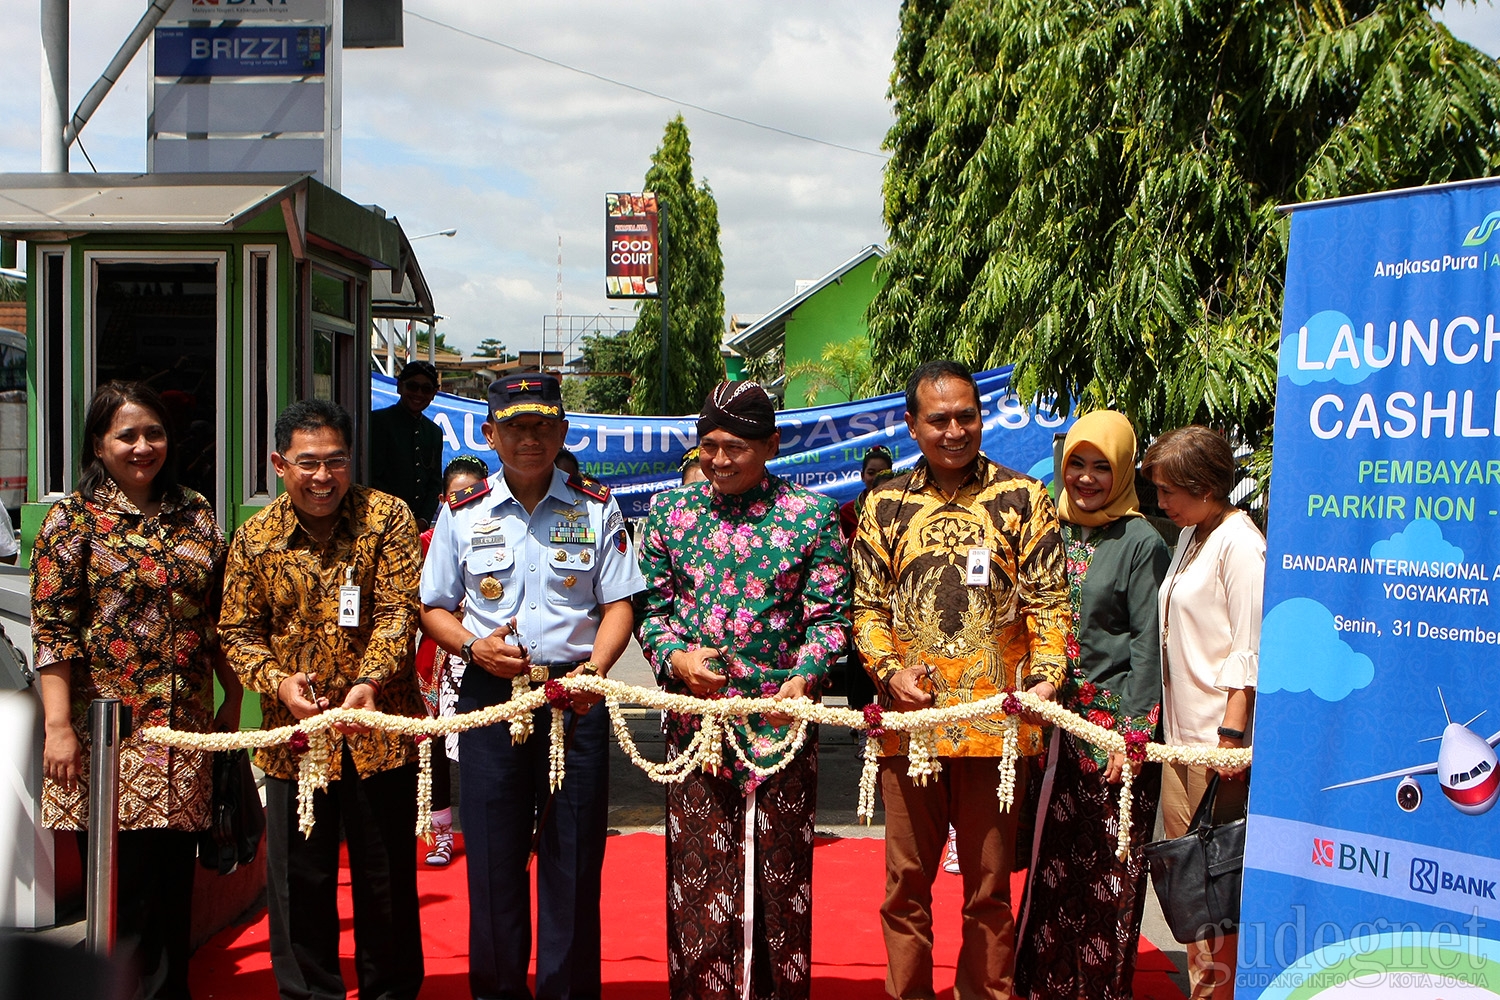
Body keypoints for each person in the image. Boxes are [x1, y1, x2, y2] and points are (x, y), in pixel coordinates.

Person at [419, 372, 644, 1000]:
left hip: (576, 697)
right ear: (491, 434)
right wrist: (471, 646)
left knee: (573, 862)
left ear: (563, 432)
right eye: (515, 427)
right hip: (491, 699)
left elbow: (621, 602)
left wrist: (595, 672)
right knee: (493, 863)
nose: (529, 438)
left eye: (543, 426)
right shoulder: (462, 512)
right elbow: (433, 606)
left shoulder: (597, 506)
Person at [852, 359, 1070, 1000]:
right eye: (939, 419)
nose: (954, 431)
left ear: (982, 418)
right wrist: (889, 673)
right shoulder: (884, 503)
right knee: (906, 888)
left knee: (988, 892)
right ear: (913, 426)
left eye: (966, 417)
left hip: (998, 731)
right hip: (911, 731)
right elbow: (867, 610)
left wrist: (1049, 680)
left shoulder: (1023, 499)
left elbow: (1051, 605)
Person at [637, 380, 850, 1000]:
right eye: (709, 446)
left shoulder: (809, 517)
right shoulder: (669, 514)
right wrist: (675, 658)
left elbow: (831, 617)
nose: (721, 460)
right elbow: (649, 607)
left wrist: (804, 676)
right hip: (693, 732)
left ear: (771, 445)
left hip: (781, 729)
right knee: (698, 877)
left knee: (780, 881)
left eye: (737, 447)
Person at [31, 381, 242, 999]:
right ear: (99, 443)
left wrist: (232, 698)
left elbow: (217, 615)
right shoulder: (72, 520)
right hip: (107, 736)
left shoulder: (196, 511)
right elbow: (53, 631)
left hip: (186, 728)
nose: (143, 446)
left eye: (154, 433)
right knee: (124, 887)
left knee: (176, 879)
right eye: (127, 435)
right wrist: (59, 727)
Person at [219, 399, 425, 1000]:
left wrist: (370, 682)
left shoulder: (386, 517)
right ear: (279, 464)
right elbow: (237, 631)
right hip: (296, 740)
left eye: (336, 461)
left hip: (378, 730)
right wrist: (278, 683)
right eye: (307, 463)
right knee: (298, 885)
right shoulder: (255, 539)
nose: (323, 477)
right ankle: (310, 993)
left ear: (350, 461)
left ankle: (390, 992)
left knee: (384, 883)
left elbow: (397, 610)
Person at [1015, 410, 1171, 1000]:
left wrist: (1131, 736)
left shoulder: (1140, 542)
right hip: (1048, 724)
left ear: (1125, 469)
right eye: (1076, 463)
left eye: (1101, 467)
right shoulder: (1044, 528)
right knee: (1050, 866)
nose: (1084, 478)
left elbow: (1148, 644)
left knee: (1109, 868)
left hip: (1109, 737)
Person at [1142, 425, 1261, 1000]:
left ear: (1204, 485)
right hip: (1180, 741)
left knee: (1220, 896)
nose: (1160, 503)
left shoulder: (1240, 542)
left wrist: (1232, 740)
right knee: (1190, 890)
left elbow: (1250, 649)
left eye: (1168, 491)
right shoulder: (1194, 534)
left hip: (1220, 745)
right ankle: (1202, 991)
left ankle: (1220, 992)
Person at [414, 454, 490, 866]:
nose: (463, 501)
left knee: (486, 742)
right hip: (437, 661)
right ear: (443, 499)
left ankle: (492, 826)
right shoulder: (423, 543)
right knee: (436, 748)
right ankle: (441, 834)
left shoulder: (498, 529)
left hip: (487, 657)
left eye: (472, 492)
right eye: (455, 495)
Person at [370, 359, 444, 527]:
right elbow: (373, 477)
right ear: (400, 386)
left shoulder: (433, 432)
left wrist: (423, 520)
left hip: (417, 526)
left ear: (434, 393)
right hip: (382, 521)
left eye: (426, 389)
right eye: (412, 386)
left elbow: (434, 484)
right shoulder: (377, 422)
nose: (418, 394)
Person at [839, 444, 894, 540]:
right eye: (871, 473)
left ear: (891, 475)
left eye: (882, 472)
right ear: (862, 476)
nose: (876, 477)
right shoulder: (847, 511)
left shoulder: (901, 507)